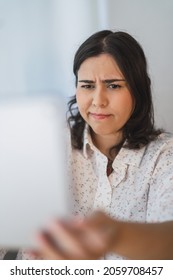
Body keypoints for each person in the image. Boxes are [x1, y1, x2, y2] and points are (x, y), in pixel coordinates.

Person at [1, 30, 173, 260]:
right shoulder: (47, 149)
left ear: (138, 90)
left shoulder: (163, 156)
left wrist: (113, 234)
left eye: (113, 86)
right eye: (87, 85)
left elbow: (168, 241)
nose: (98, 100)